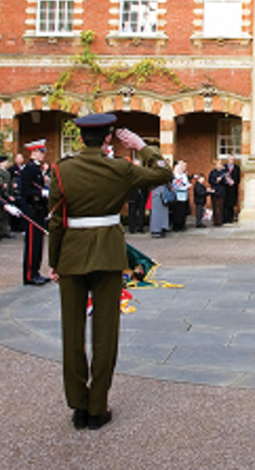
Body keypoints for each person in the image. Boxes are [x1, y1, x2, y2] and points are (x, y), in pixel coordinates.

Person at [48, 113, 172, 430]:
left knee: (72, 334)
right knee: (105, 334)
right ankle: (98, 406)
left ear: (81, 139)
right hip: (108, 254)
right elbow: (163, 174)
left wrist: (54, 261)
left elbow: (56, 220)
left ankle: (78, 404)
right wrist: (143, 147)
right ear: (107, 138)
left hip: (71, 256)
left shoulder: (62, 169)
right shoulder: (120, 168)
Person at [21, 139, 50, 285]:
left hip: (38, 210)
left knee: (38, 244)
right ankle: (29, 275)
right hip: (32, 209)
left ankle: (36, 272)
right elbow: (25, 191)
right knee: (32, 244)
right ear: (34, 152)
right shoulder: (29, 169)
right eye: (41, 152)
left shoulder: (36, 168)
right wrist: (41, 193)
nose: (43, 155)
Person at [223, 154, 241, 223]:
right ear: (228, 160)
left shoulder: (237, 168)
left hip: (233, 188)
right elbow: (222, 176)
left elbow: (238, 178)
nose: (231, 160)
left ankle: (231, 218)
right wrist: (226, 182)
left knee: (232, 204)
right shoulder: (224, 167)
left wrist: (234, 182)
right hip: (226, 188)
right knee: (225, 204)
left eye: (232, 159)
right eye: (230, 159)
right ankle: (225, 218)